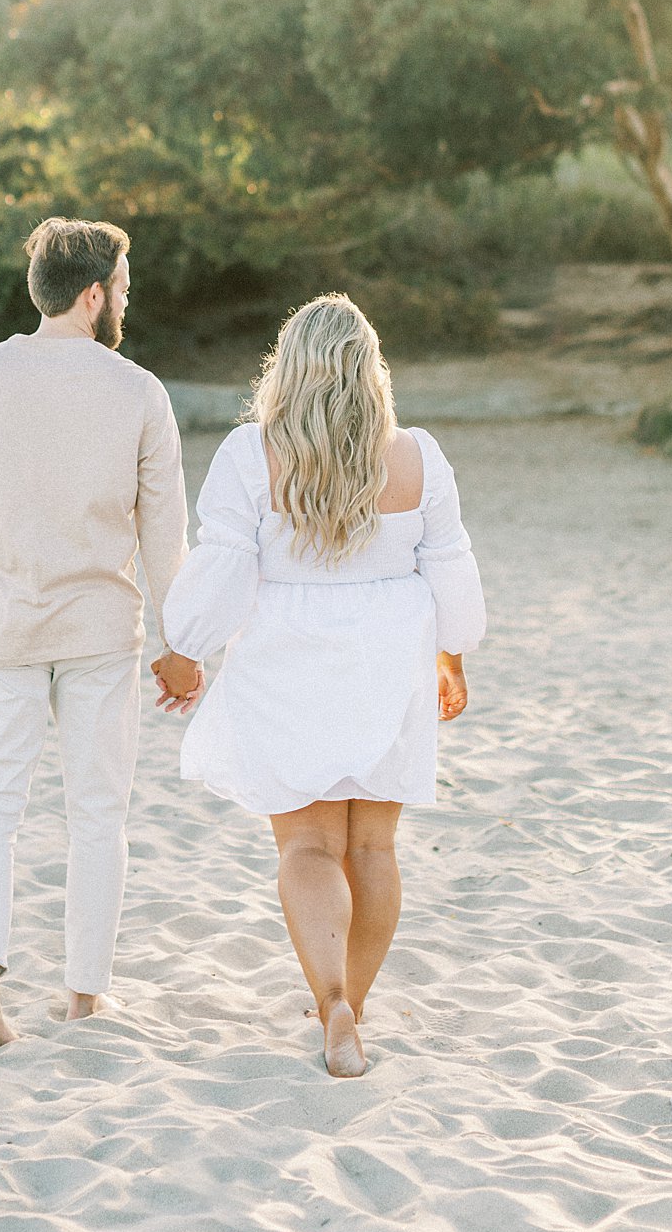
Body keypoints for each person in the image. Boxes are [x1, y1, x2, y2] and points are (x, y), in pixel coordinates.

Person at [154, 293, 486, 1078]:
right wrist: (454, 655)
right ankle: (353, 1010)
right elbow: (451, 569)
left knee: (307, 844)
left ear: (289, 369)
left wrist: (184, 649)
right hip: (388, 659)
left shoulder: (249, 453)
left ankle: (331, 1000)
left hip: (286, 660)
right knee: (371, 846)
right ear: (370, 372)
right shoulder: (416, 457)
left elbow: (225, 566)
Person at [0, 216, 202, 1050]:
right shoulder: (138, 393)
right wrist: (178, 644)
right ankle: (83, 996)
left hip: (2, 626)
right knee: (96, 811)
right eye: (122, 286)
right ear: (92, 297)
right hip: (97, 630)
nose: (126, 298)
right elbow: (165, 538)